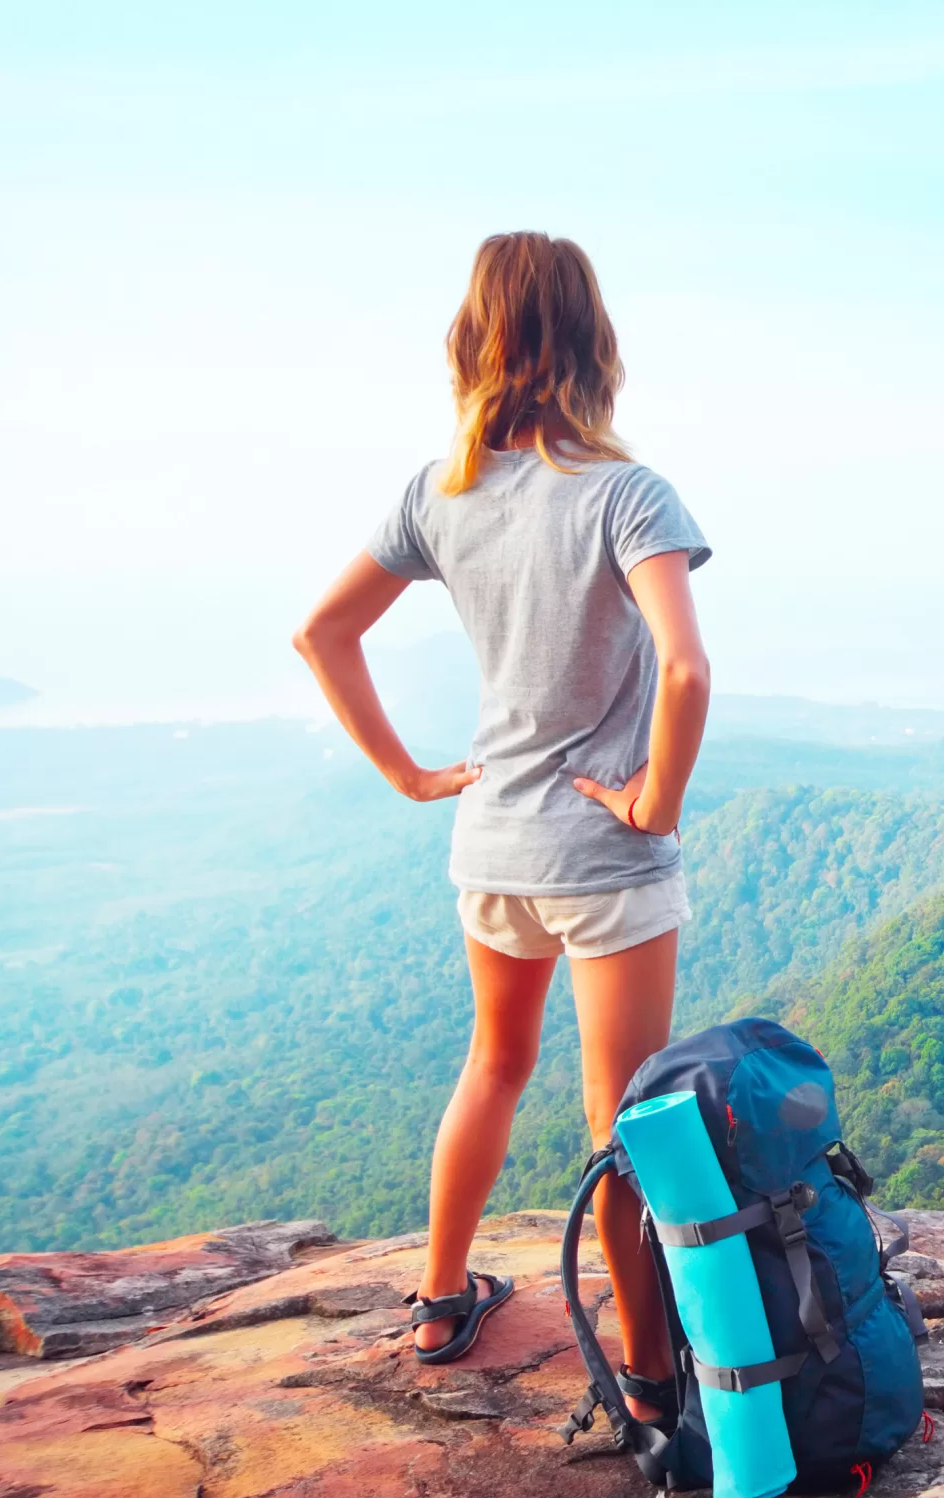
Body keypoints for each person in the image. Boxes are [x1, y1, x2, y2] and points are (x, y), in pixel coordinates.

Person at [292, 231, 708, 1424]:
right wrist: (654, 804)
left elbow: (321, 632)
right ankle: (647, 1374)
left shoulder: (440, 490)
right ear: (594, 342)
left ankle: (438, 1301)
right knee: (621, 1118)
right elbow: (685, 670)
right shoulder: (627, 494)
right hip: (603, 858)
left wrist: (410, 777)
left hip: (491, 846)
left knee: (493, 1065)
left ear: (473, 342)